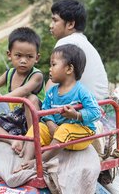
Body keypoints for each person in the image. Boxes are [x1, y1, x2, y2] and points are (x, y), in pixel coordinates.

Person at [13, 44, 101, 172]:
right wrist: (50, 124)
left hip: (81, 133)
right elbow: (45, 109)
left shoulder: (81, 91)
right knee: (37, 128)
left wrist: (76, 115)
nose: (50, 69)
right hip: (58, 131)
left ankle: (39, 161)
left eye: (53, 65)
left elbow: (96, 112)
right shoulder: (52, 92)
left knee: (65, 129)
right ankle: (25, 162)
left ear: (69, 69)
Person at [47, 0, 109, 100]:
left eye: (55, 20)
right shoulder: (84, 42)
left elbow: (55, 78)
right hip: (99, 103)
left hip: (81, 106)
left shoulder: (65, 43)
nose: (51, 25)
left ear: (70, 24)